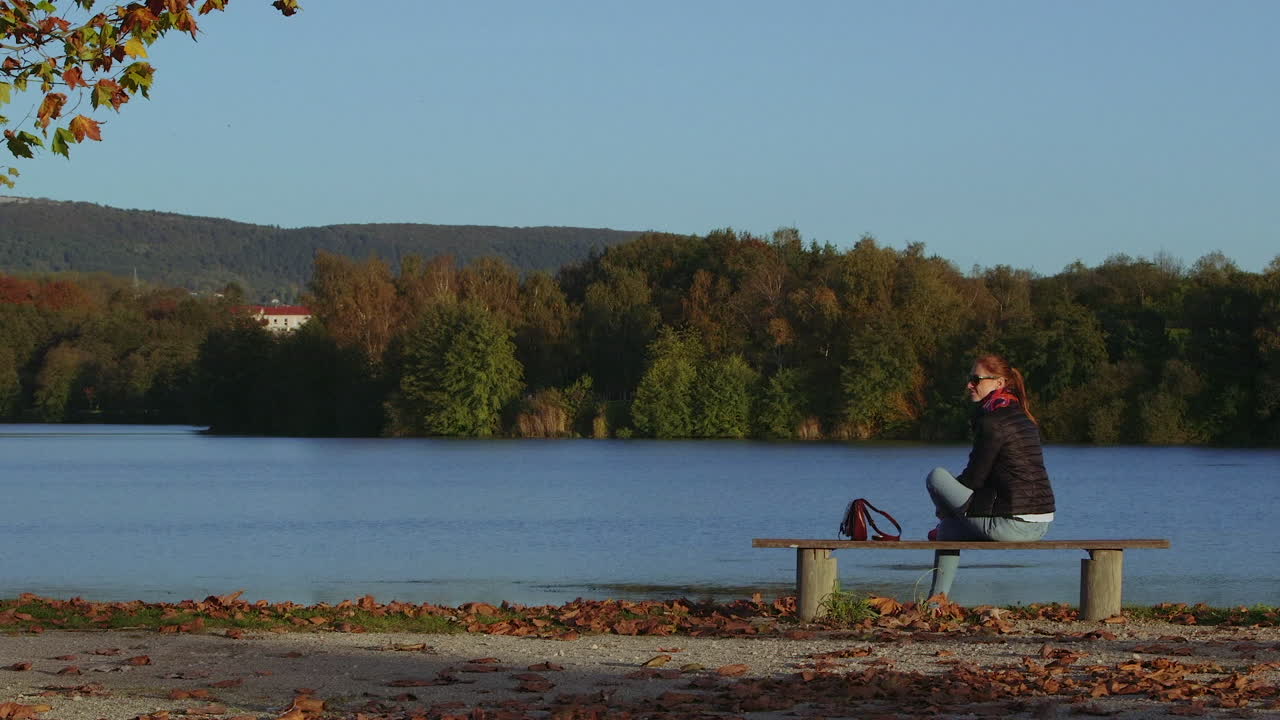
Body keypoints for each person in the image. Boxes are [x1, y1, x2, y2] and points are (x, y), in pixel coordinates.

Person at [925, 353, 1055, 601]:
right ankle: (935, 604)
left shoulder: (992, 422)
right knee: (949, 530)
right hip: (1040, 525)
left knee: (936, 477)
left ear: (999, 383)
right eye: (970, 378)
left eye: (976, 379)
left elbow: (973, 480)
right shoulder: (1023, 417)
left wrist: (947, 505)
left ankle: (935, 602)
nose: (969, 385)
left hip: (1012, 524)